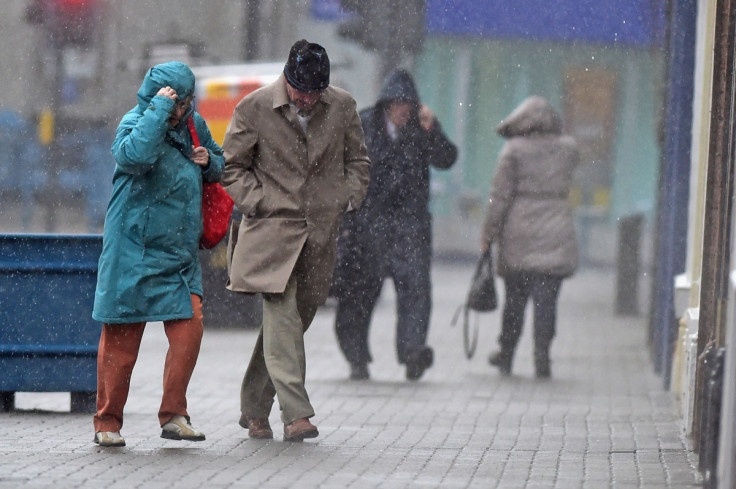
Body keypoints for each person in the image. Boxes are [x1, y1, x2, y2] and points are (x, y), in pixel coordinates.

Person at [221, 40, 371, 442]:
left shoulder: (342, 106)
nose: (307, 100)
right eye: (301, 91)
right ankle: (296, 414)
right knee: (282, 316)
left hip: (320, 233)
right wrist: (260, 201)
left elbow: (358, 160)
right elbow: (231, 167)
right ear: (287, 79)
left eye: (315, 92)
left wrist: (348, 197)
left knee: (290, 324)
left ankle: (254, 408)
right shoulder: (253, 108)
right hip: (271, 233)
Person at [91, 61, 225, 447]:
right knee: (120, 343)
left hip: (178, 256)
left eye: (185, 103)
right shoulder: (136, 122)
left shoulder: (194, 125)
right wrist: (159, 111)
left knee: (190, 329)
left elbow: (220, 160)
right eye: (177, 103)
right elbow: (133, 156)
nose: (183, 111)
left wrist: (210, 162)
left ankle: (174, 415)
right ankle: (108, 423)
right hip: (133, 252)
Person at [332, 68, 458, 381]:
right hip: (367, 225)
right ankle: (356, 358)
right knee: (358, 296)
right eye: (398, 105)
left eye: (409, 106)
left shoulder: (421, 127)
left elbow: (447, 158)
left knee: (415, 290)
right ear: (387, 104)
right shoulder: (363, 125)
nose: (403, 112)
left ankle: (413, 352)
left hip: (409, 227)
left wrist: (433, 129)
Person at [481, 95, 579, 378]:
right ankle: (542, 356)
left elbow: (499, 196)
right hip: (556, 228)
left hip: (519, 231)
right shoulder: (568, 149)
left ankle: (507, 353)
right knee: (547, 302)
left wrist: (488, 233)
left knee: (515, 300)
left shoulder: (513, 151)